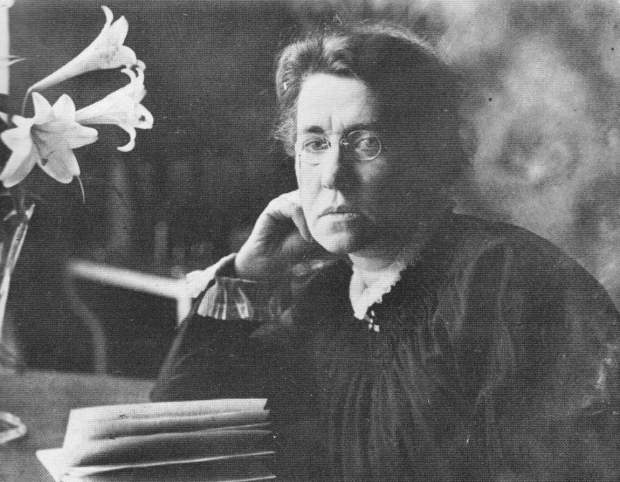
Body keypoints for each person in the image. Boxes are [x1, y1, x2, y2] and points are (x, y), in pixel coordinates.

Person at [152, 24, 620, 480]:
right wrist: (248, 273)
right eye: (314, 144)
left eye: (366, 143)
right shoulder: (324, 302)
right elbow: (171, 440)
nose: (331, 174)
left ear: (427, 154)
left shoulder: (507, 282)